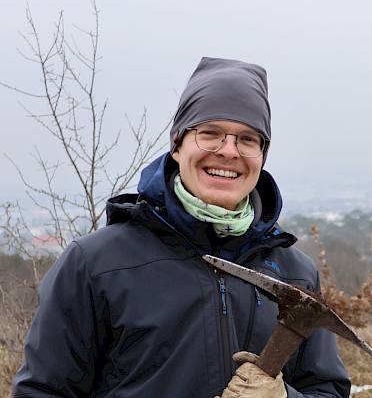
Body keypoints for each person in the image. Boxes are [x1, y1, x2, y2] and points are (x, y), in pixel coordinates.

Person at [13, 57, 350, 398]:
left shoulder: (295, 273)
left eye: (248, 139)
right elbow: (42, 391)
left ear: (262, 154)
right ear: (177, 143)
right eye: (210, 134)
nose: (228, 152)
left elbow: (328, 390)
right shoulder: (96, 265)